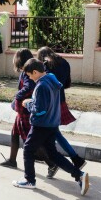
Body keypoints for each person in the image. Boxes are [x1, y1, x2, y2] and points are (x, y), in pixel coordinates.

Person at [13, 58, 89, 195]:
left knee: (28, 150)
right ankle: (79, 175)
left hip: (41, 124)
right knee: (53, 154)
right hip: (52, 123)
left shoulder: (41, 85)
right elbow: (46, 103)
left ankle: (29, 180)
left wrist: (28, 103)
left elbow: (40, 109)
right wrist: (34, 101)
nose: (30, 78)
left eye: (30, 76)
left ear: (35, 72)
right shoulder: (51, 78)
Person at [36, 47, 85, 179]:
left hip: (50, 101)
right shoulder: (64, 62)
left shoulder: (46, 65)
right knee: (55, 132)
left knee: (53, 132)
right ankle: (75, 159)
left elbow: (42, 81)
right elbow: (66, 82)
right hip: (60, 99)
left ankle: (66, 160)